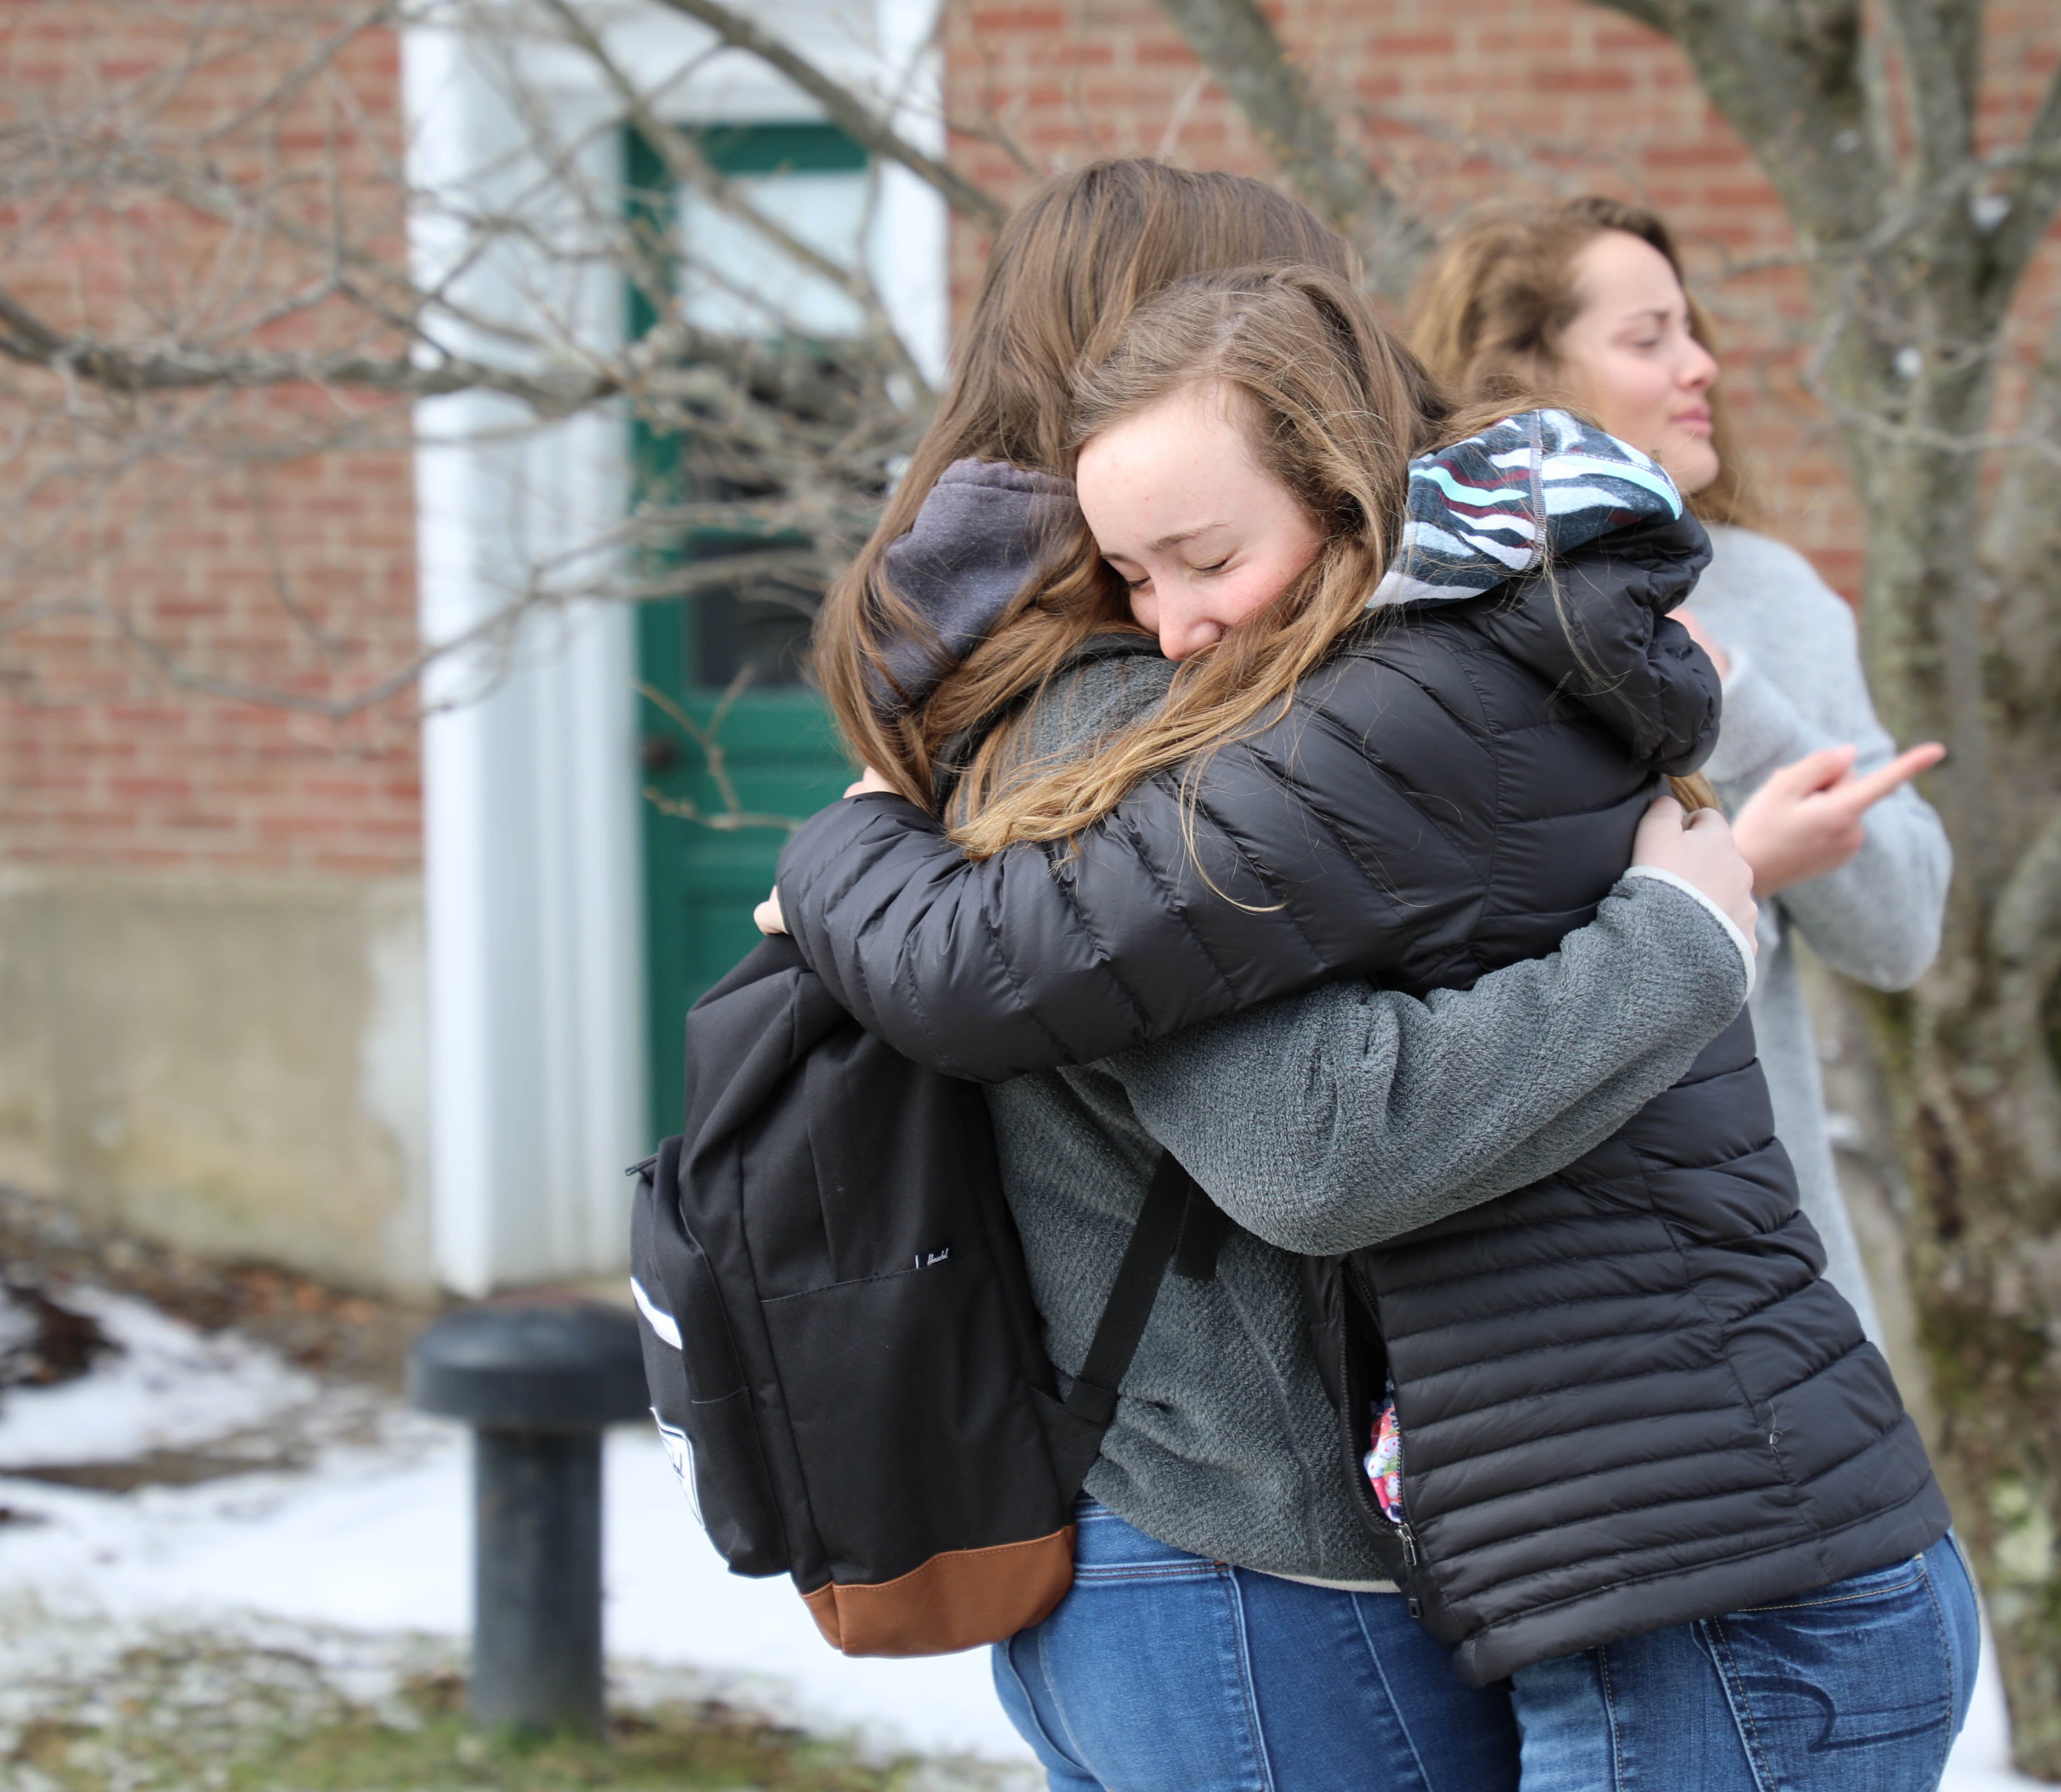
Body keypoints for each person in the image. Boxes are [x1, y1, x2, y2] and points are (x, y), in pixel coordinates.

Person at [776, 244, 1976, 1788]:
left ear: (1345, 499)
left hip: (1716, 1577)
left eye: (1204, 559)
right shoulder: (1414, 662)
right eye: (1135, 578)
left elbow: (1054, 973)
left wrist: (846, 848)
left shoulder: (1404, 706)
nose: (1171, 630)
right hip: (1665, 1561)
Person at [1409, 196, 1955, 1345]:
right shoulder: (1437, 632)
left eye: (1690, 327)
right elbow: (1487, 1022)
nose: (1701, 363)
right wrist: (1744, 867)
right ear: (1532, 374)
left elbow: (1902, 934)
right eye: (1648, 338)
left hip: (1770, 1275)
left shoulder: (1769, 594)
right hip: (1539, 1296)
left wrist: (1736, 701)